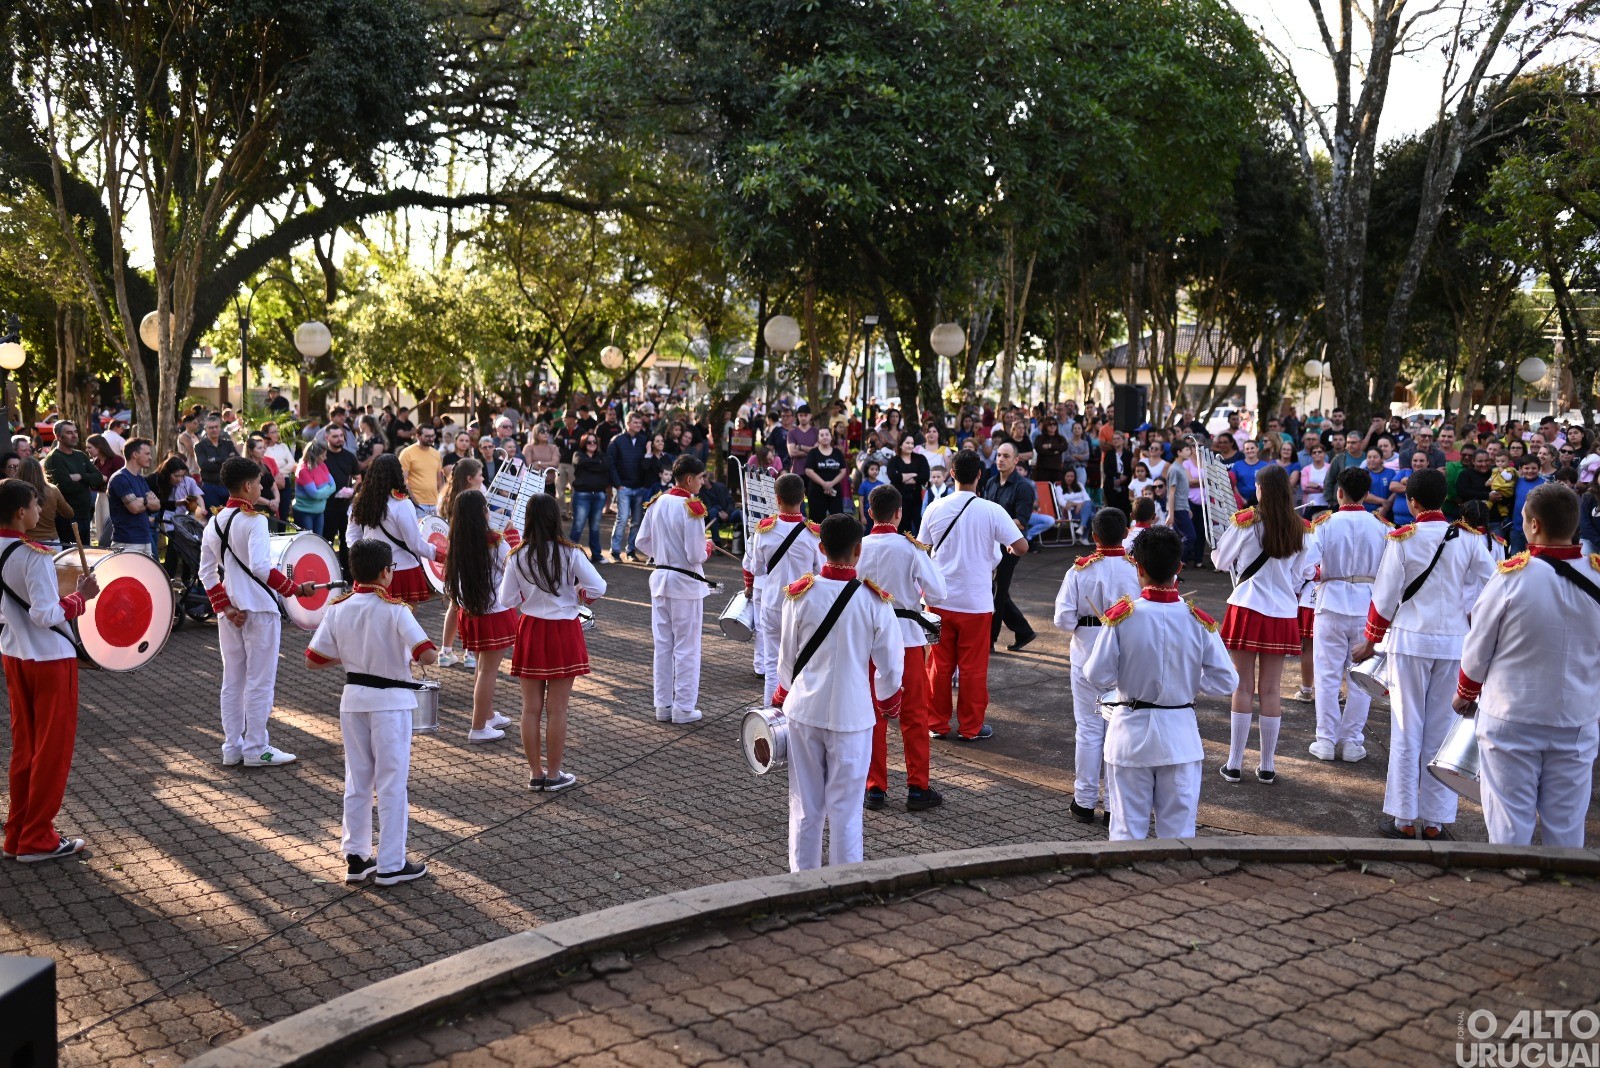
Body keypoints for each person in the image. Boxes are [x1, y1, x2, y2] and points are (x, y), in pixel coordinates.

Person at [1353, 468, 1496, 841]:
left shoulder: (1404, 539)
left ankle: (1403, 819)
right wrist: (1472, 616)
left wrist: (1370, 641)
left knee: (1406, 729)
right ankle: (1435, 821)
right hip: (1453, 643)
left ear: (1411, 502)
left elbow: (1384, 598)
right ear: (1444, 497)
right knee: (1440, 731)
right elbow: (1495, 581)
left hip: (1410, 642)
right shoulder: (1467, 538)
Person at [1455, 484, 1600, 848]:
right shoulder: (1597, 577)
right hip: (1576, 718)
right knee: (1567, 827)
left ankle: (1511, 897)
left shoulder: (1511, 576)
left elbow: (1477, 646)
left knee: (1508, 823)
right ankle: (1563, 897)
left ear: (1533, 526)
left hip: (1512, 714)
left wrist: (1465, 692)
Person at [1083, 526, 1238, 841]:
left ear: (1137, 568)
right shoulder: (1198, 621)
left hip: (1130, 738)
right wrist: (1190, 679)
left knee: (1126, 832)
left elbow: (1096, 675)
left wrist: (1126, 674)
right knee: (1179, 835)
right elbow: (1227, 681)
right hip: (1179, 737)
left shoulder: (1123, 617)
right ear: (1179, 568)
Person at [773, 513, 904, 871]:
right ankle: (844, 889)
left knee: (805, 806)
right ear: (858, 551)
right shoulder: (874, 601)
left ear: (820, 548)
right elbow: (891, 665)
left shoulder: (800, 595)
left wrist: (782, 692)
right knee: (846, 811)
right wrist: (888, 699)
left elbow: (786, 658)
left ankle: (803, 885)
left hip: (803, 711)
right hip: (853, 715)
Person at [305, 539, 437, 886]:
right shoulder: (395, 609)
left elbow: (312, 659)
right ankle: (392, 863)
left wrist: (348, 658)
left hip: (354, 699)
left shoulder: (337, 607)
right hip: (391, 704)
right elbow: (427, 654)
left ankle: (357, 857)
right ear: (385, 572)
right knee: (391, 783)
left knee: (357, 779)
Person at [0, 478, 100, 862]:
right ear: (21, 512)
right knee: (51, 750)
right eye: (35, 505)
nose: (40, 511)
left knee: (24, 748)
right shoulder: (34, 554)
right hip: (49, 659)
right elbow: (45, 615)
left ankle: (17, 834)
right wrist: (80, 597)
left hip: (14, 654)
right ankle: (37, 838)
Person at [199, 456, 318, 768]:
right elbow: (261, 568)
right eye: (260, 482)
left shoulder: (212, 523)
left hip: (231, 613)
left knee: (233, 680)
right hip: (260, 610)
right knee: (260, 682)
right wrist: (294, 589)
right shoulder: (255, 521)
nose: (263, 487)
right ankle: (256, 748)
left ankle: (232, 747)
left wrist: (224, 606)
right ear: (248, 486)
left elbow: (206, 574)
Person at [1213, 465, 1312, 785]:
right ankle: (1267, 766)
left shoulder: (1246, 522)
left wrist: (1219, 544)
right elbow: (1300, 577)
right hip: (1282, 612)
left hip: (1246, 606)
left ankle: (1234, 763)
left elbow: (1219, 562)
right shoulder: (1301, 528)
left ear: (1261, 489)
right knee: (1271, 691)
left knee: (1242, 686)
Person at [920, 450, 1029, 742]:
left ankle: (936, 723)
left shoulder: (934, 508)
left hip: (939, 600)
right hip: (976, 603)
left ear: (951, 474)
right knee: (972, 668)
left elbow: (921, 549)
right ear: (979, 475)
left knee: (939, 665)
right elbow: (1022, 547)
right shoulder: (992, 510)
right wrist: (1006, 548)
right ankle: (970, 727)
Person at [501, 494, 606, 791]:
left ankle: (536, 773)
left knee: (530, 708)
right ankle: (555, 774)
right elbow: (599, 586)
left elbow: (506, 599)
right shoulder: (570, 553)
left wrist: (530, 596)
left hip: (532, 629)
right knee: (557, 709)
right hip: (563, 629)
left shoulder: (517, 555)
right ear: (555, 518)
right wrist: (576, 594)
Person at [1052, 507, 1141, 825]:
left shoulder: (1080, 571)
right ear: (1126, 534)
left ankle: (1084, 800)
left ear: (1093, 536)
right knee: (1124, 731)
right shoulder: (1137, 571)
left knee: (1089, 731)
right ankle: (1117, 806)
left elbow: (1062, 619)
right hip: (1126, 659)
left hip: (1087, 656)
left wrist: (1084, 623)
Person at [1304, 468, 1389, 762]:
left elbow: (1307, 565)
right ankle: (1352, 741)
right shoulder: (1382, 526)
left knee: (1327, 675)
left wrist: (1318, 575)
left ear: (1339, 492)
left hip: (1331, 603)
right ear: (1367, 494)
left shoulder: (1325, 524)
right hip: (1368, 605)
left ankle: (1326, 739)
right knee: (1359, 678)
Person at [636, 454, 715, 724]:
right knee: (687, 648)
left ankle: (663, 706)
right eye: (702, 478)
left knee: (663, 646)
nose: (703, 483)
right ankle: (683, 707)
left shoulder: (657, 502)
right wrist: (707, 547)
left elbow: (641, 542)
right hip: (685, 583)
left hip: (661, 579)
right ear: (690, 479)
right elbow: (695, 555)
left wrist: (663, 553)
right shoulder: (691, 507)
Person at [442, 489, 517, 743]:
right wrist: (514, 539)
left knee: (484, 668)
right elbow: (513, 570)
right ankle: (477, 726)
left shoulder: (457, 541)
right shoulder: (496, 542)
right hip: (493, 613)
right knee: (488, 671)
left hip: (472, 612)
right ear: (481, 513)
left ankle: (487, 715)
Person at [348, 454, 436, 604]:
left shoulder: (361, 501)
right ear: (397, 474)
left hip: (369, 572)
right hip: (401, 570)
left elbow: (352, 536)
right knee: (402, 624)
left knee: (372, 623)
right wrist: (436, 553)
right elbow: (414, 543)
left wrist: (362, 558)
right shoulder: (402, 504)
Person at [983, 442, 1041, 651]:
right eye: (998, 455)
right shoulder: (990, 483)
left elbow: (1022, 521)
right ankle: (1023, 631)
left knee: (997, 591)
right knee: (999, 590)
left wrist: (999, 529)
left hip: (1011, 545)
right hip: (991, 543)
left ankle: (989, 640)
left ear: (1016, 460)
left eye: (1006, 456)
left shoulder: (1023, 487)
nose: (1000, 459)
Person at [42, 420, 101, 548]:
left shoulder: (80, 455)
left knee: (85, 554)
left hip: (85, 516)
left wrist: (81, 476)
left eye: (75, 432)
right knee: (71, 557)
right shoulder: (54, 458)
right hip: (66, 518)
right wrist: (87, 483)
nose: (74, 435)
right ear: (58, 436)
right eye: (69, 432)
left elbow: (98, 477)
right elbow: (65, 487)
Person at [606, 411, 652, 563]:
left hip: (639, 488)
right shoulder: (616, 441)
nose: (639, 425)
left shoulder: (644, 440)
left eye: (640, 423)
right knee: (622, 518)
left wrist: (649, 453)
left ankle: (630, 551)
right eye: (635, 423)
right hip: (623, 487)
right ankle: (615, 551)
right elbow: (610, 463)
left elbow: (646, 466)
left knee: (637, 521)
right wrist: (618, 484)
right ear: (627, 423)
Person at [107, 438, 160, 556]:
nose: (150, 457)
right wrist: (147, 501)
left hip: (145, 539)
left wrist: (141, 501)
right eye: (147, 454)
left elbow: (157, 505)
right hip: (127, 542)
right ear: (135, 454)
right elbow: (134, 508)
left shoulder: (140, 479)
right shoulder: (120, 478)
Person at [18, 458, 71, 549]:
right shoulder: (53, 490)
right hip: (52, 543)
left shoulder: (16, 492)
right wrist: (54, 509)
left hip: (27, 544)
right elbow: (69, 513)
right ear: (41, 470)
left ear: (20, 471)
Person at [887, 432, 930, 534]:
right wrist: (914, 475)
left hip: (917, 499)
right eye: (907, 443)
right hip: (900, 500)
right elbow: (893, 476)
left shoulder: (920, 458)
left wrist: (902, 477)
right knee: (902, 528)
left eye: (912, 443)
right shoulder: (894, 461)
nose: (910, 445)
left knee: (920, 527)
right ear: (901, 444)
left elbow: (925, 476)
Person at [194, 416, 239, 509]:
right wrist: (227, 460)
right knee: (213, 517)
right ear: (206, 429)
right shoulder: (200, 446)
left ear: (220, 428)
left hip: (229, 487)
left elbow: (237, 461)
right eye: (211, 427)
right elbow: (204, 465)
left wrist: (215, 460)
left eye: (216, 426)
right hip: (210, 487)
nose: (214, 430)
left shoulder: (228, 444)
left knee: (231, 516)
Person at [293, 441, 336, 536]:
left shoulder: (322, 465)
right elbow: (314, 494)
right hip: (304, 512)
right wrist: (327, 489)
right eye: (323, 455)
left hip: (319, 512)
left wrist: (323, 491)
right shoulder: (303, 470)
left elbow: (334, 486)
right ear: (314, 455)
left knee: (318, 541)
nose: (326, 458)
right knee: (307, 542)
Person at [398, 426, 444, 516]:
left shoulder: (436, 454)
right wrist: (413, 500)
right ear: (418, 436)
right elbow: (402, 479)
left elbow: (439, 480)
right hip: (416, 504)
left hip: (435, 503)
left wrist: (441, 499)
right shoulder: (407, 453)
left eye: (433, 436)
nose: (431, 438)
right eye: (427, 436)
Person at [804, 427, 848, 517]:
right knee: (816, 519)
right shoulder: (813, 452)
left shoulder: (837, 452)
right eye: (822, 435)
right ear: (818, 438)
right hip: (816, 491)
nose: (825, 437)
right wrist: (824, 483)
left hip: (834, 490)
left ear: (831, 437)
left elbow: (843, 470)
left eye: (827, 434)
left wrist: (831, 484)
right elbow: (808, 470)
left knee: (838, 519)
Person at [1055, 467, 1094, 544]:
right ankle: (1083, 536)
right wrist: (1078, 504)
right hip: (1072, 512)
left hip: (1084, 509)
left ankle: (1082, 527)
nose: (1070, 478)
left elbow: (1087, 499)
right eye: (1068, 476)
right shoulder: (1059, 488)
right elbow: (1062, 502)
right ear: (1064, 477)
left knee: (1089, 504)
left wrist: (1079, 504)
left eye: (1072, 476)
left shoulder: (1079, 485)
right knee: (1092, 515)